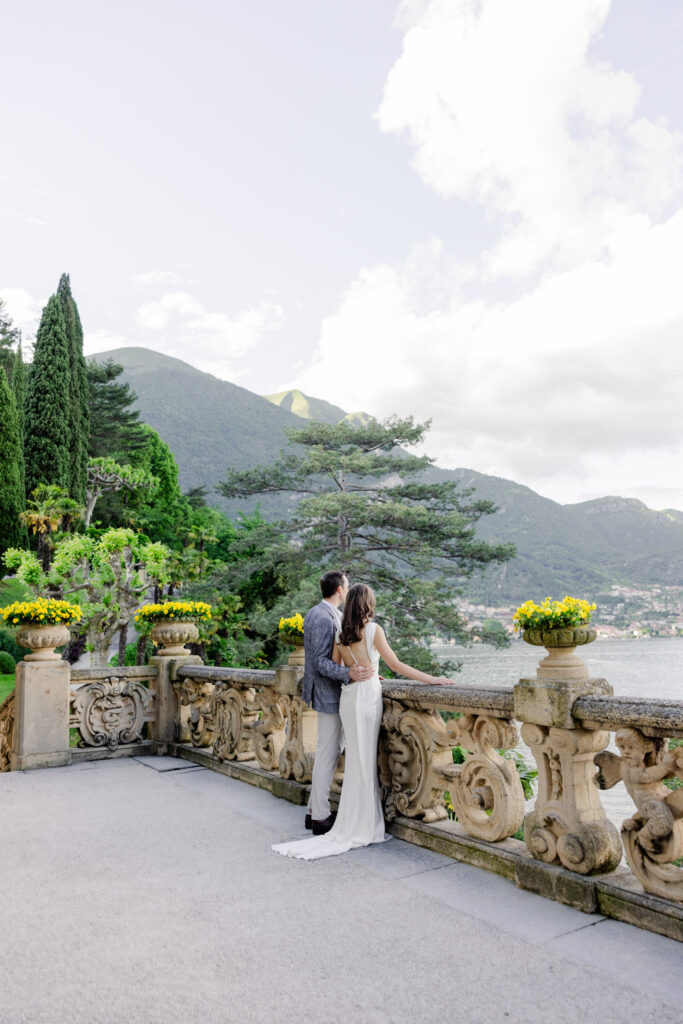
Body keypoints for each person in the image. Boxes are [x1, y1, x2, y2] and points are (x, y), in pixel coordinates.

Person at [273, 583, 450, 860]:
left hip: (348, 697)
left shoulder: (342, 636)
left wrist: (356, 670)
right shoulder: (374, 630)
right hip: (367, 698)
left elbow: (339, 668)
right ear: (368, 604)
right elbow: (395, 665)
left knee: (357, 759)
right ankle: (365, 824)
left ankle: (349, 821)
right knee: (365, 761)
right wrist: (432, 679)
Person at [301, 571, 372, 836]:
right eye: (347, 585)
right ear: (340, 590)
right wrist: (348, 674)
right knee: (328, 752)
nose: (349, 588)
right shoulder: (321, 616)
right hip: (327, 693)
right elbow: (320, 661)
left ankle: (312, 812)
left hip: (330, 692)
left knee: (329, 750)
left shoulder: (323, 613)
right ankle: (320, 817)